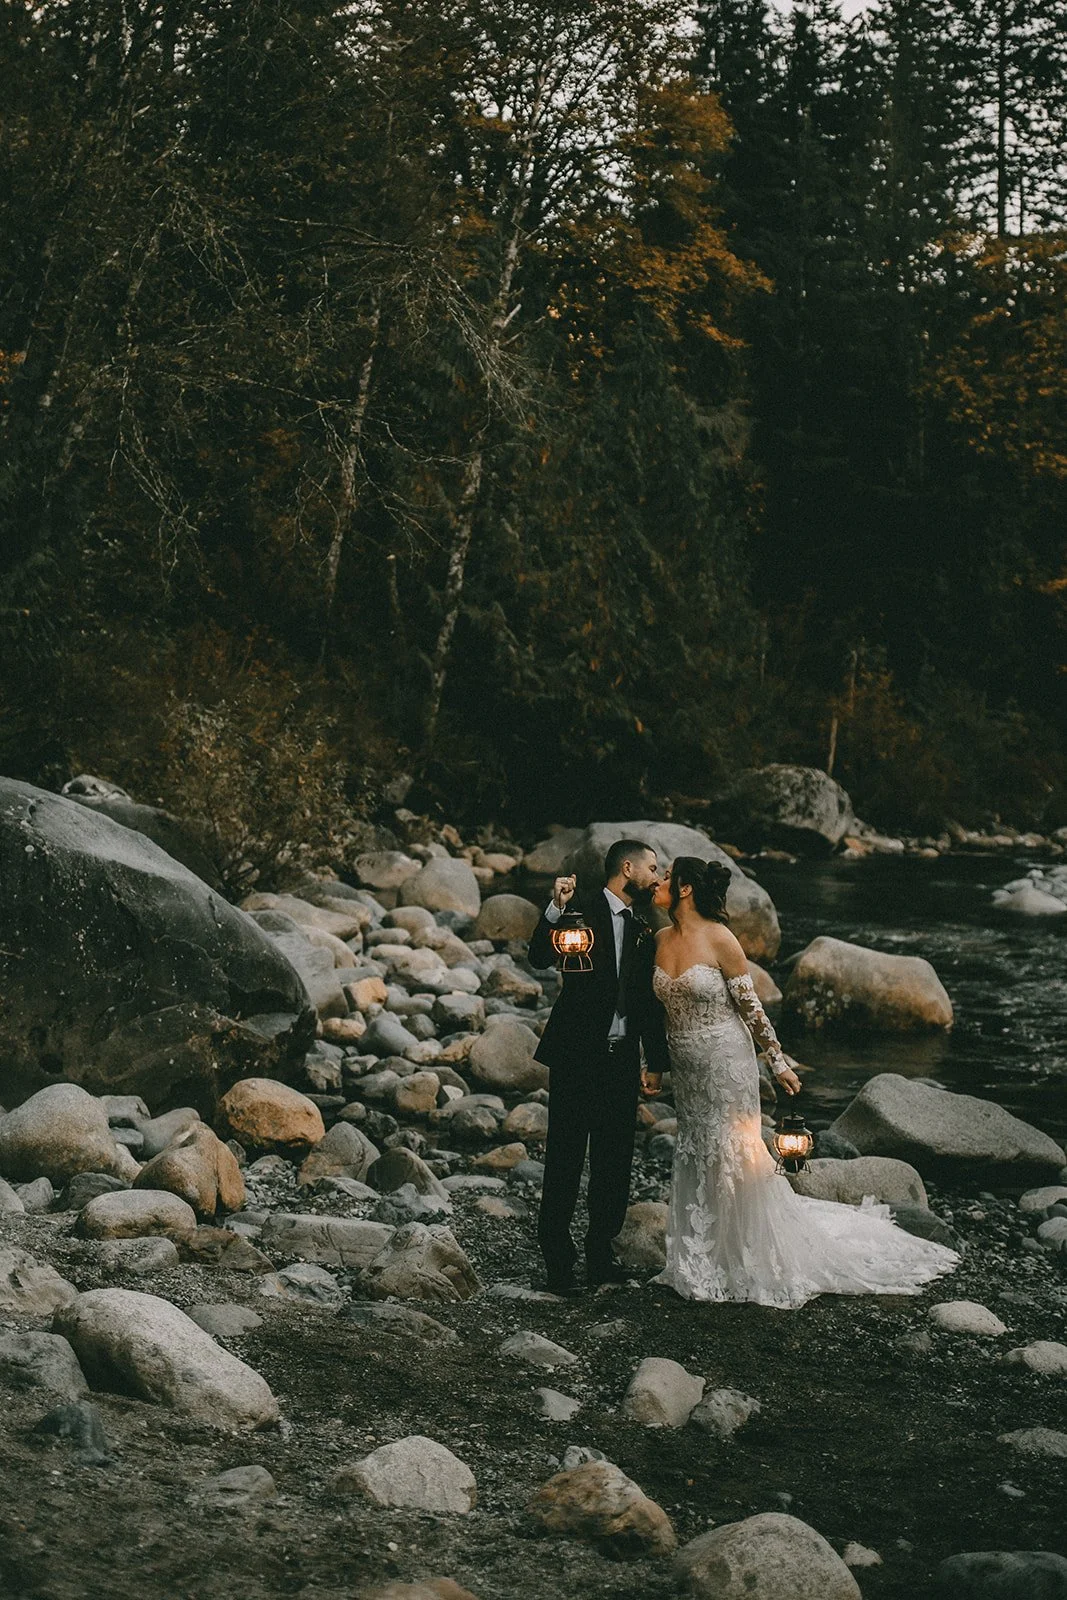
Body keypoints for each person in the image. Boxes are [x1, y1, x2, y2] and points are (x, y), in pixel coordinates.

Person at [647, 856, 959, 1308]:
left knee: (734, 1151)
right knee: (696, 1146)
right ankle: (699, 1254)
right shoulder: (658, 939)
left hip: (725, 1061)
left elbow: (752, 1009)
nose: (656, 882)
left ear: (686, 888)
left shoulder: (721, 939)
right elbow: (657, 1012)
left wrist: (778, 1064)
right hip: (688, 1066)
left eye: (664, 876)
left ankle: (744, 1257)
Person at [528, 840, 670, 1294]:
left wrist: (656, 1062)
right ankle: (558, 1262)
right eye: (652, 867)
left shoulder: (644, 926)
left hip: (620, 1060)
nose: (657, 875)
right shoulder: (579, 909)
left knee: (614, 1161)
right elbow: (538, 957)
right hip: (574, 1056)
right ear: (626, 868)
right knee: (566, 1158)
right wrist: (553, 907)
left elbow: (647, 1003)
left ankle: (599, 1254)